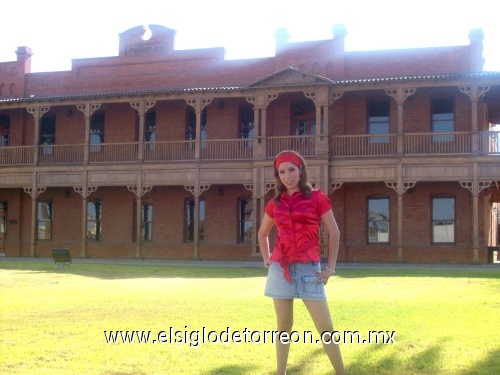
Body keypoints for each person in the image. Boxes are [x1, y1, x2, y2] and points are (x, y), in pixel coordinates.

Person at [258, 150, 345, 375]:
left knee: (325, 327)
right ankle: (281, 373)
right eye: (282, 172)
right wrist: (267, 258)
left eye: (292, 170)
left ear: (301, 170)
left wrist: (330, 268)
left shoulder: (317, 197)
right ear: (278, 176)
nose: (288, 176)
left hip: (310, 271)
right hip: (281, 269)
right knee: (284, 326)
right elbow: (262, 233)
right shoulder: (275, 203)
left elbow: (334, 232)